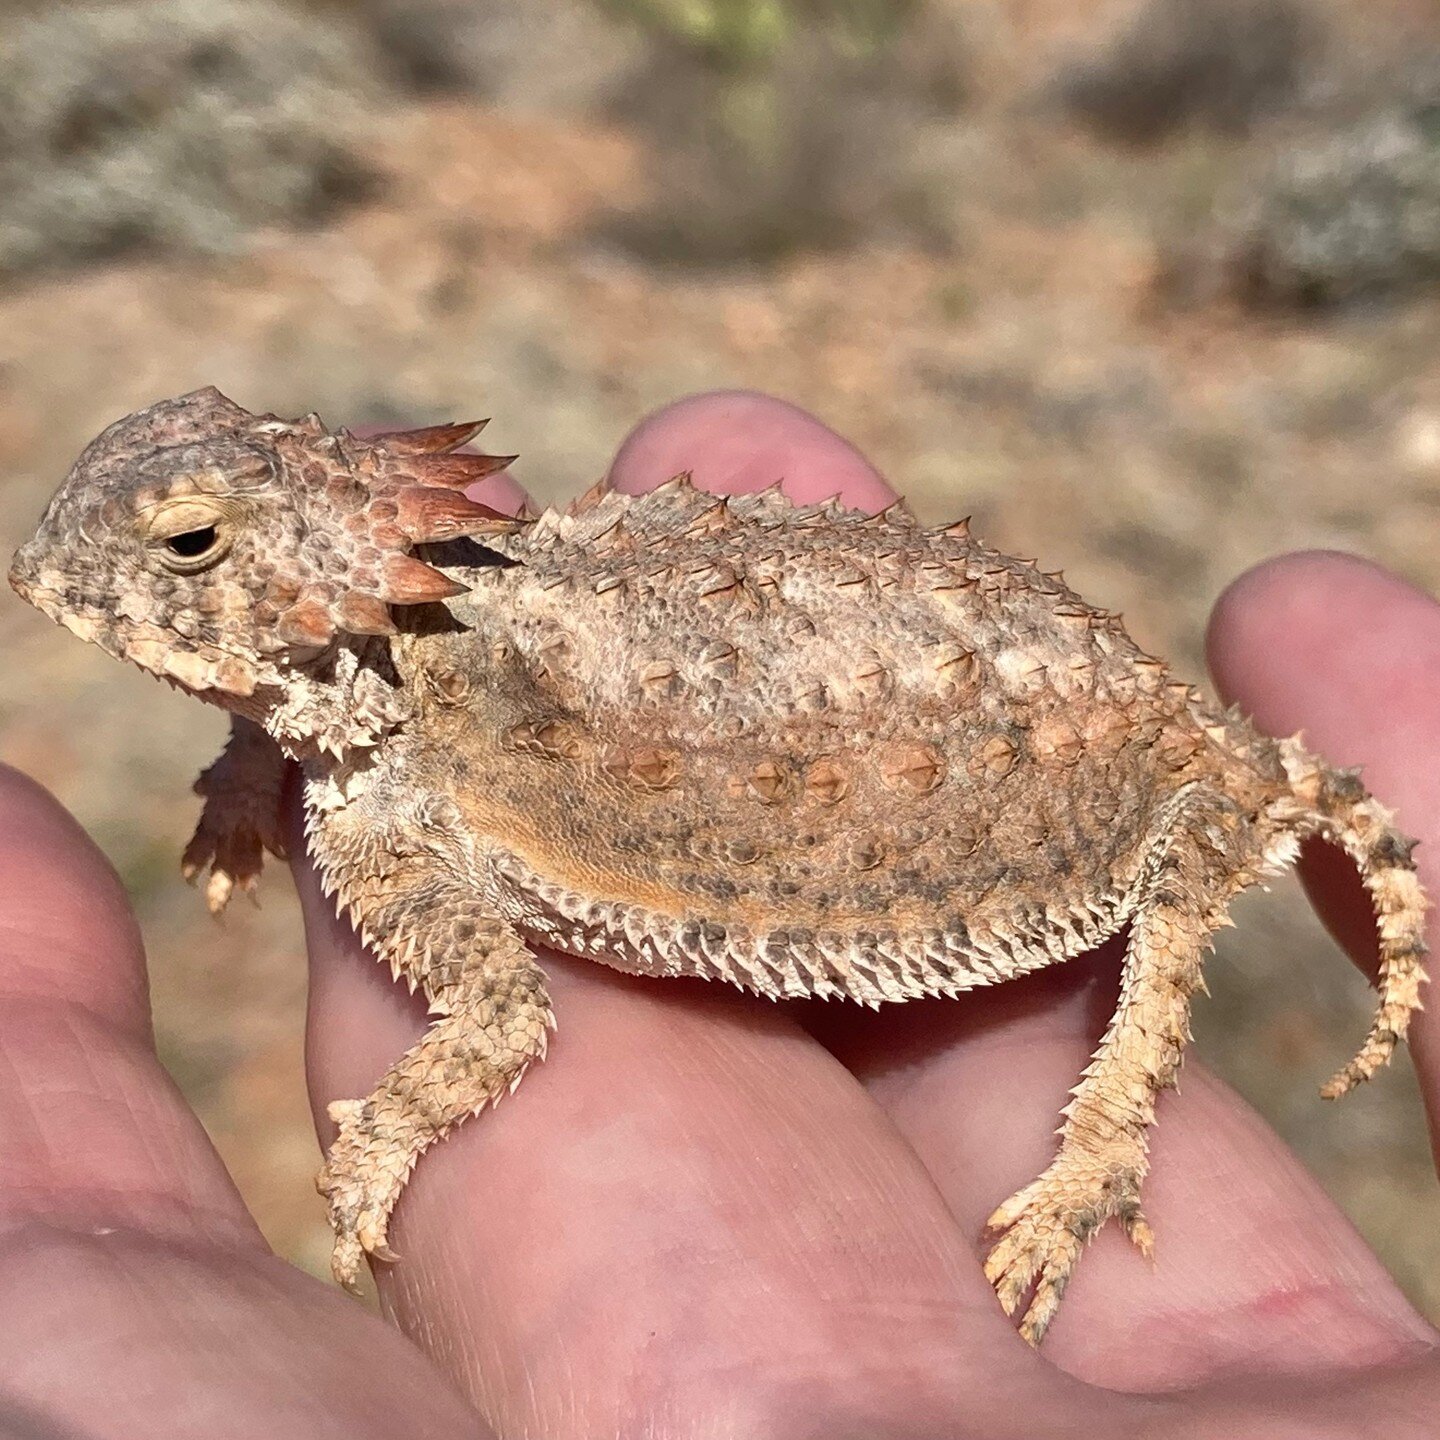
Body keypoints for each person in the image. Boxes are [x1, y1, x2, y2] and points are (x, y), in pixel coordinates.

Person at [1, 390, 1435, 1439]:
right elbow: (311, 700)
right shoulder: (369, 712)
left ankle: (1106, 1160)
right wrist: (253, 768)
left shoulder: (405, 796)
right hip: (966, 663)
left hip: (1034, 772)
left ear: (329, 578)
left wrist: (389, 1128)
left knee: (1174, 838)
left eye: (191, 545)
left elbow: (497, 1017)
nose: (94, 578)